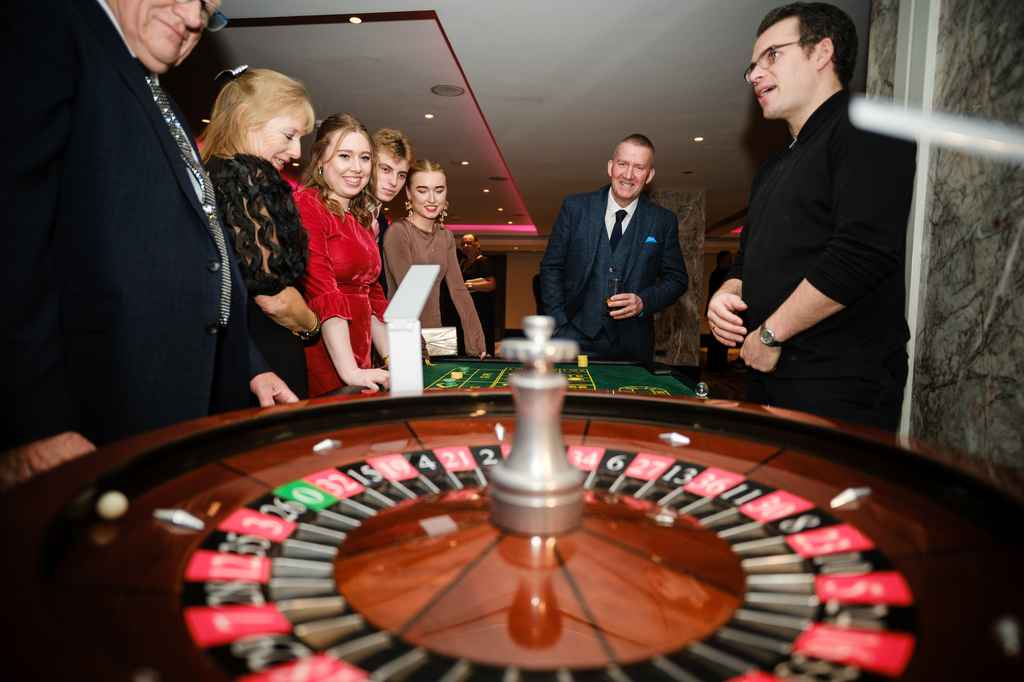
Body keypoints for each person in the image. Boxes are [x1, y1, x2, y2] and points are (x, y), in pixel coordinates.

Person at [1, 0, 296, 490]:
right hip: (96, 396)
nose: (195, 17)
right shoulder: (50, 26)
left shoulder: (159, 96)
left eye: (209, 9)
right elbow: (14, 236)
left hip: (174, 397)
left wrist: (249, 367)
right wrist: (35, 424)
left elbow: (202, 257)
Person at [708, 2, 917, 431]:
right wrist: (726, 294)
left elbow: (860, 254)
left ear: (822, 52)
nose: (756, 75)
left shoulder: (869, 125)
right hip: (769, 370)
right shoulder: (770, 168)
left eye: (772, 55)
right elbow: (746, 260)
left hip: (837, 380)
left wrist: (770, 333)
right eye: (753, 66)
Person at [200, 67, 318, 400]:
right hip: (267, 359)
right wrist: (312, 324)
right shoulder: (245, 179)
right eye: (289, 135)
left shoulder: (207, 172)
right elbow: (274, 299)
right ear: (245, 119)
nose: (296, 152)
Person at [539, 134, 689, 362]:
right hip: (572, 336)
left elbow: (677, 279)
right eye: (623, 164)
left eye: (639, 167)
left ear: (649, 175)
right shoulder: (575, 207)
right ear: (611, 166)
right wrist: (559, 324)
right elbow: (551, 267)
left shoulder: (663, 221)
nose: (628, 175)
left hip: (634, 343)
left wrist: (643, 302)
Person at [295, 114, 390, 396]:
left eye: (365, 158)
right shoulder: (307, 204)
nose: (357, 167)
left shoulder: (360, 220)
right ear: (320, 159)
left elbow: (372, 296)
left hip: (358, 359)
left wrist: (392, 358)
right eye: (344, 155)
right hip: (324, 357)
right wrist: (349, 371)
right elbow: (322, 289)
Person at [382, 160, 487, 357]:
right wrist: (418, 347)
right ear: (408, 193)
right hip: (403, 339)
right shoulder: (398, 231)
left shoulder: (445, 235)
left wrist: (478, 347)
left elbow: (459, 291)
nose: (432, 199)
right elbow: (407, 295)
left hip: (436, 339)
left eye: (439, 190)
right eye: (422, 190)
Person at [370, 129, 416, 297]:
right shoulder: (343, 211)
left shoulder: (382, 222)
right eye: (386, 169)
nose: (394, 182)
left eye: (401, 175)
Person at [461, 234, 497, 355]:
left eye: (469, 243)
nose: (466, 246)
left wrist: (468, 285)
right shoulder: (462, 263)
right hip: (466, 306)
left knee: (483, 334)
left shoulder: (483, 261)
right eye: (463, 244)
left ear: (477, 245)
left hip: (481, 306)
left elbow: (492, 284)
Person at [705, 250, 734, 372]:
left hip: (718, 311)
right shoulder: (720, 275)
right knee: (718, 339)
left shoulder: (719, 274)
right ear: (722, 262)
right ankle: (716, 363)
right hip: (719, 311)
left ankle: (717, 362)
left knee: (718, 338)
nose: (731, 262)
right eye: (728, 260)